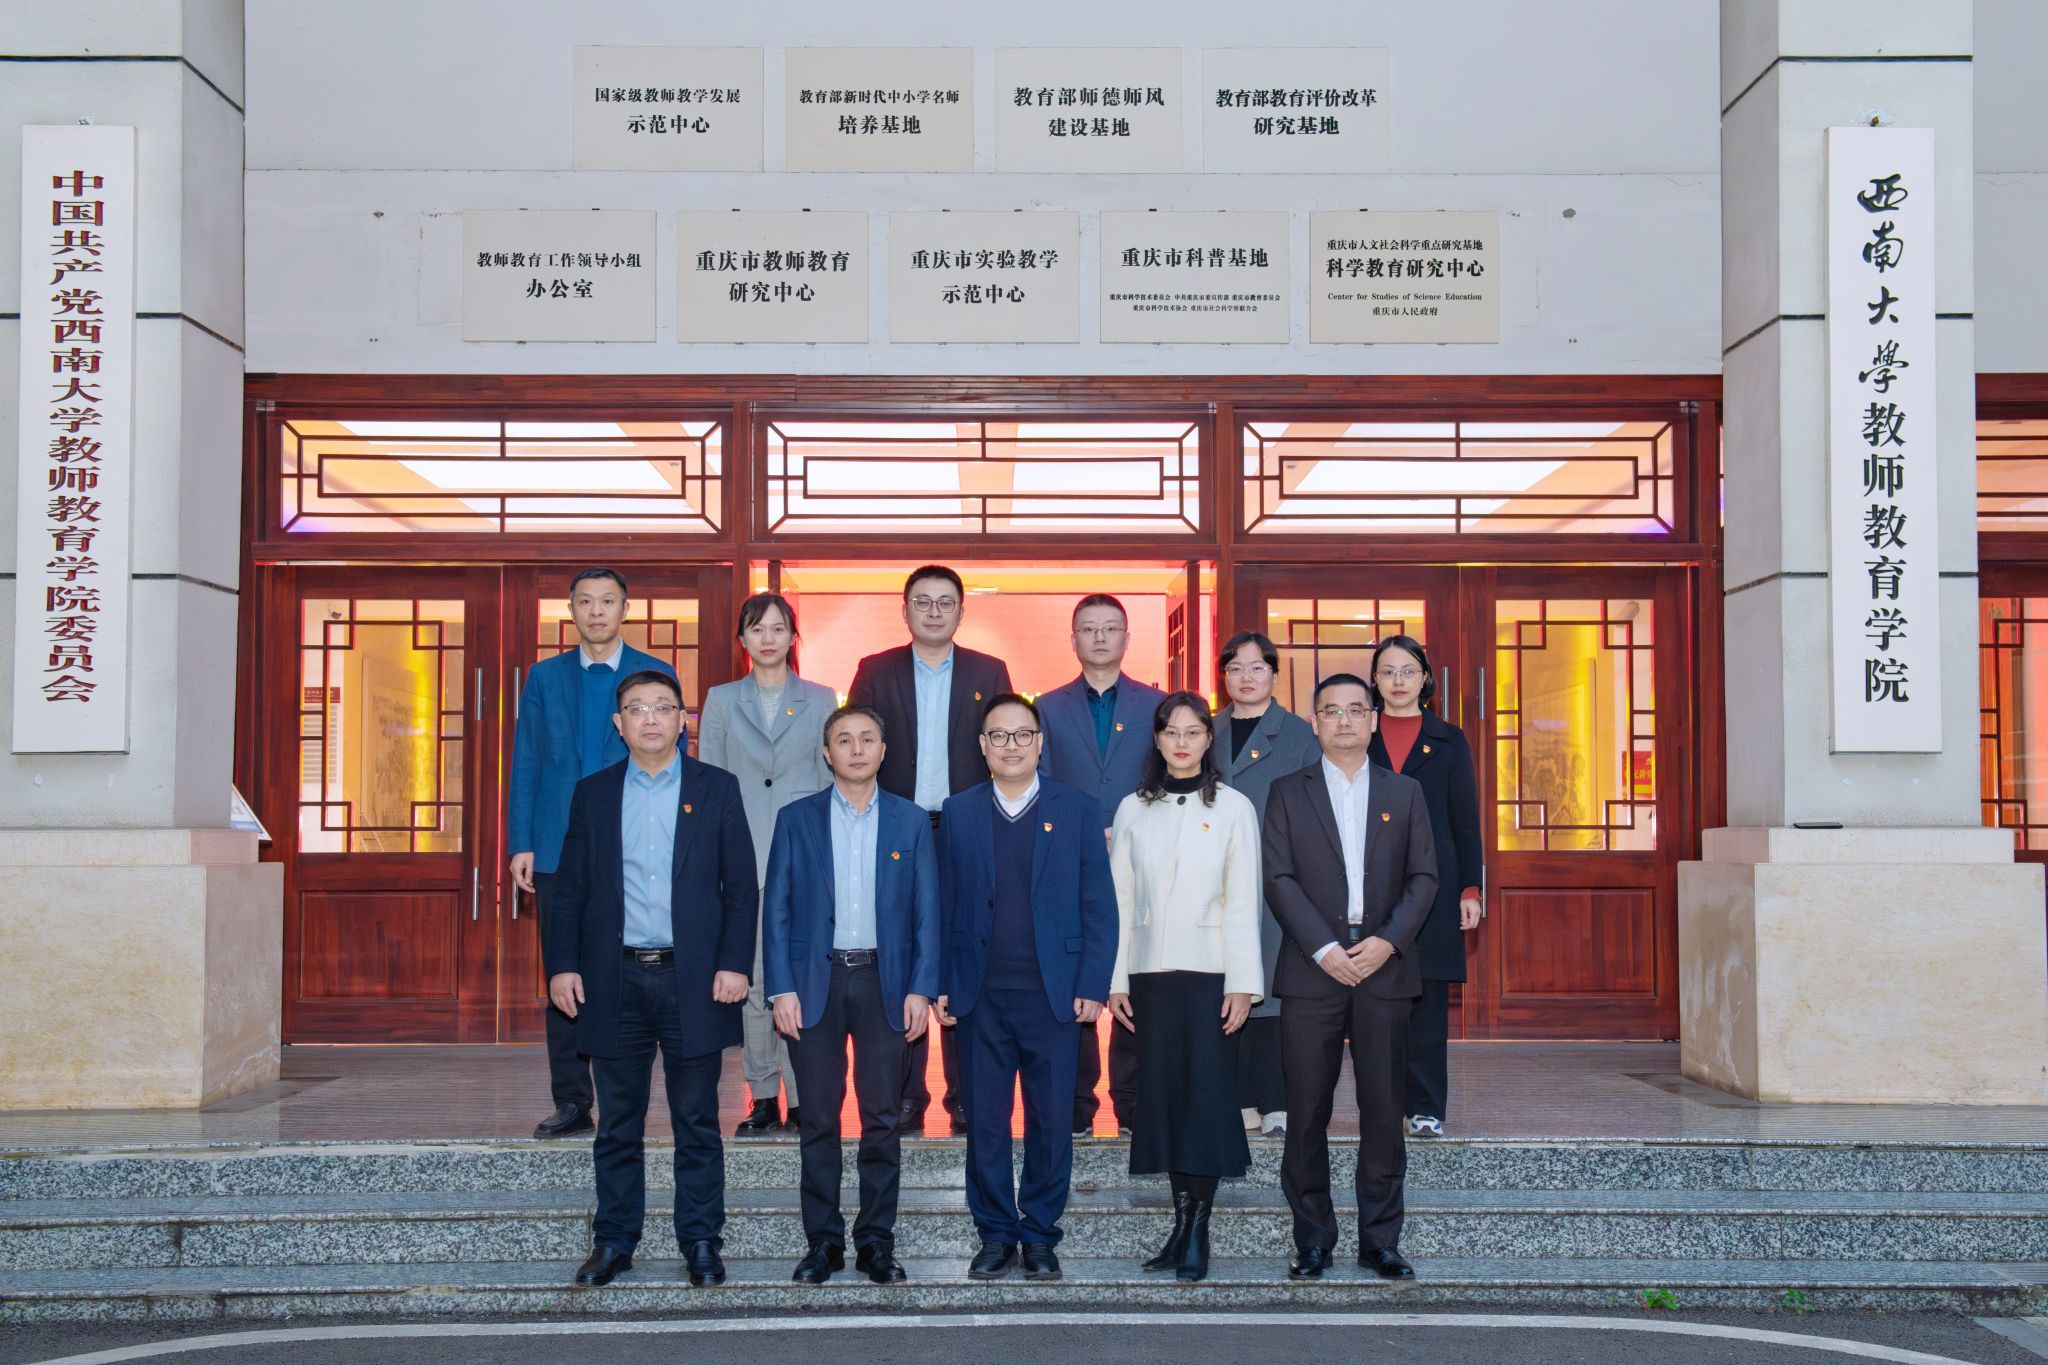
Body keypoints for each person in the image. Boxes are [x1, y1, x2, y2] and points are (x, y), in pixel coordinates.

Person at [543, 670, 758, 1290]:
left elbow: (741, 887)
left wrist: (734, 963)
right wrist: (562, 966)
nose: (651, 718)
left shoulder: (716, 788)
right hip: (615, 980)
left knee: (697, 1121)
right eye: (637, 709)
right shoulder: (594, 793)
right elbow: (570, 891)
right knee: (618, 1123)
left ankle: (701, 1240)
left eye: (664, 707)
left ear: (683, 719)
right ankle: (614, 1241)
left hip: (695, 980)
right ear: (620, 724)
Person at [934, 694, 1116, 1284]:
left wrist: (1093, 981)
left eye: (1022, 735)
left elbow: (1099, 904)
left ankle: (1039, 1233)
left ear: (1040, 743)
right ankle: (994, 1232)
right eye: (998, 735)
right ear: (982, 747)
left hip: (1054, 994)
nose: (1010, 745)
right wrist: (940, 982)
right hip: (979, 994)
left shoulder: (1078, 809)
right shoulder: (958, 811)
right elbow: (942, 903)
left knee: (1051, 1119)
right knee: (985, 1121)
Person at [1262, 673, 1438, 1282]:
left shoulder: (1405, 792)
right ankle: (1312, 1239)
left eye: (1355, 710)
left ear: (1373, 720)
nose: (1344, 720)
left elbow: (1424, 878)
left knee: (1383, 1109)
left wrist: (1387, 942)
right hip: (1313, 969)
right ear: (1314, 722)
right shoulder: (1288, 792)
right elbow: (1278, 878)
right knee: (1306, 1108)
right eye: (1331, 711)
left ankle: (1380, 1240)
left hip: (1384, 967)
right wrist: (1323, 947)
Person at [761, 704, 939, 1286]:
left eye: (867, 739)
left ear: (883, 751)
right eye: (844, 739)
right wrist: (780, 987)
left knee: (881, 1118)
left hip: (886, 982)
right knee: (818, 1118)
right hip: (816, 984)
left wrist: (921, 988)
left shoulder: (911, 822)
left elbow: (927, 914)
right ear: (826, 752)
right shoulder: (797, 819)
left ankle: (875, 1242)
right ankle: (823, 1243)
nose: (857, 749)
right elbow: (777, 908)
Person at [508, 567, 679, 1141]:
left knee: (621, 969)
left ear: (625, 609)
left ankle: (622, 1101)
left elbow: (671, 756)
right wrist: (522, 841)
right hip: (558, 842)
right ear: (572, 610)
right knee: (564, 969)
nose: (597, 611)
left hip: (631, 840)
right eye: (586, 602)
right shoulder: (544, 676)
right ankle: (571, 1099)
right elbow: (527, 759)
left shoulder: (653, 675)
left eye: (608, 601)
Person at [849, 565, 1013, 1136]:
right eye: (923, 601)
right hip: (900, 829)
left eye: (946, 602)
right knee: (904, 952)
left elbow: (1004, 746)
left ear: (962, 611)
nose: (935, 611)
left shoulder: (989, 671)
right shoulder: (875, 670)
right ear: (905, 610)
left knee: (967, 952)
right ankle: (906, 1095)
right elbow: (858, 743)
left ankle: (966, 1097)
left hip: (969, 826)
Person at [1107, 691, 1264, 1283]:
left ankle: (1199, 1227)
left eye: (1193, 731)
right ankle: (1179, 1226)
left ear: (1207, 739)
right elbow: (1120, 901)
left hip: (1211, 975)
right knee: (1167, 1101)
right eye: (1171, 731)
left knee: (1204, 1102)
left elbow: (1244, 899)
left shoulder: (1233, 807)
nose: (1181, 742)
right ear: (1157, 738)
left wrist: (1244, 983)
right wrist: (1115, 980)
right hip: (1149, 974)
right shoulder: (1132, 808)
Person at [697, 591, 835, 1138]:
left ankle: (802, 1100)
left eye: (779, 628)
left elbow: (828, 784)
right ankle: (762, 1097)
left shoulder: (820, 698)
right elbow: (708, 782)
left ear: (794, 637)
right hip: (742, 856)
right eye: (757, 629)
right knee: (753, 981)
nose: (769, 638)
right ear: (743, 640)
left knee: (799, 978)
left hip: (803, 858)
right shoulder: (721, 700)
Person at [1035, 592, 1165, 1140]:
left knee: (1138, 974)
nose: (1100, 637)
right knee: (1077, 976)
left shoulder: (1157, 705)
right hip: (1072, 859)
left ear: (1127, 638)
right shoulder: (1046, 707)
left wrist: (1132, 827)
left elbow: (1170, 774)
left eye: (1111, 628)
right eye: (1088, 629)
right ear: (1073, 640)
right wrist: (1080, 833)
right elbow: (1039, 782)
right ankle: (1077, 1105)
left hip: (1144, 859)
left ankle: (1134, 1104)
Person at [1364, 635, 1484, 1140]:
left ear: (1425, 679)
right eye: (1388, 671)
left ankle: (1426, 1108)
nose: (1398, 681)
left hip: (1434, 884)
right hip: (1369, 885)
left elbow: (1465, 819)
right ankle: (1383, 1106)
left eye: (1408, 671)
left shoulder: (1449, 739)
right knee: (1374, 1004)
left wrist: (1471, 888)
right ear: (1375, 680)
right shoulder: (1359, 732)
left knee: (1428, 1002)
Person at [1210, 630, 1321, 1139]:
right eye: (1235, 668)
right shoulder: (1207, 730)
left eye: (1258, 667)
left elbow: (1313, 810)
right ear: (1223, 677)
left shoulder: (1298, 735)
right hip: (1213, 881)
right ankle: (1235, 1099)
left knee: (1273, 990)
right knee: (1224, 985)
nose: (1246, 677)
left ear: (1274, 674)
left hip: (1276, 878)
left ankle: (1275, 1098)